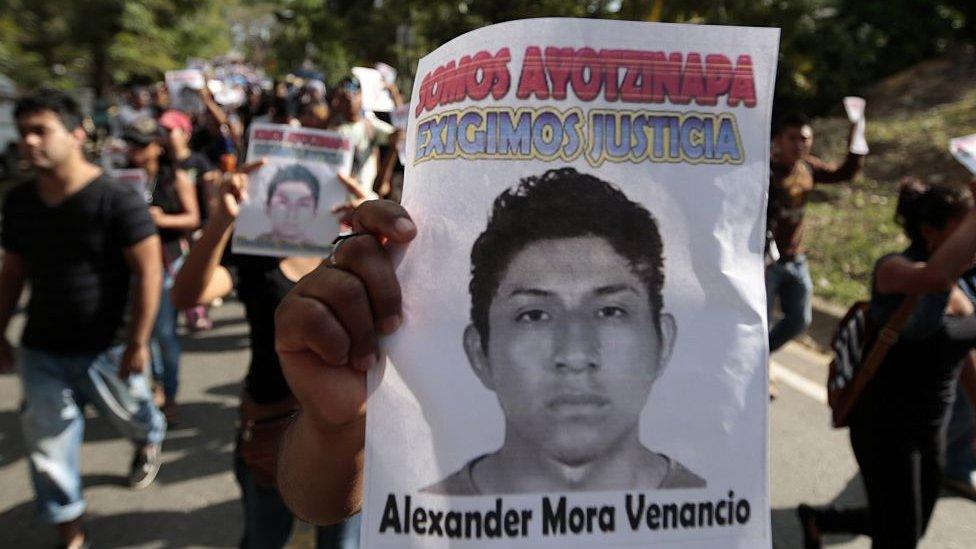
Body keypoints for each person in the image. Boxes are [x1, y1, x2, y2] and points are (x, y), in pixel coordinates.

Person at [423, 168, 704, 494]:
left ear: (663, 342)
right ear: (479, 352)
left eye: (611, 311)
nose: (574, 355)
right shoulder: (416, 525)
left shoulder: (726, 519)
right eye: (534, 315)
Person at [0, 89, 166, 549]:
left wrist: (137, 342)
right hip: (43, 350)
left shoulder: (117, 200)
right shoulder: (19, 203)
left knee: (136, 417)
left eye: (41, 131)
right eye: (23, 132)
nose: (29, 142)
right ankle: (70, 531)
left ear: (77, 134)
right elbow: (13, 269)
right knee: (48, 447)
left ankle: (148, 439)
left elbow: (149, 270)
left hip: (109, 348)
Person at [171, 164, 360, 548]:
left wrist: (376, 233)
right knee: (265, 536)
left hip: (346, 436)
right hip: (271, 424)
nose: (292, 212)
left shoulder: (352, 255)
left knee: (341, 541)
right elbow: (187, 296)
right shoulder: (257, 256)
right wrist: (221, 221)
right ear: (268, 202)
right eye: (282, 201)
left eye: (305, 202)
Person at [797, 178, 976, 548]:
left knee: (910, 524)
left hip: (932, 426)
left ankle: (822, 519)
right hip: (885, 426)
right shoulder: (894, 270)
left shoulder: (966, 285)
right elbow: (935, 278)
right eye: (966, 232)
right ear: (930, 232)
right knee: (900, 536)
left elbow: (963, 355)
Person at [766, 113, 865, 353]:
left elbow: (844, 173)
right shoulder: (763, 170)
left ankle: (760, 358)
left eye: (805, 139)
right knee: (759, 322)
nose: (800, 144)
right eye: (793, 138)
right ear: (777, 140)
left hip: (796, 259)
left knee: (799, 321)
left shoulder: (807, 167)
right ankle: (758, 373)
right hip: (765, 262)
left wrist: (857, 136)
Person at [123, 117, 200, 422]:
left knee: (165, 334)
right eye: (131, 145)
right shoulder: (123, 179)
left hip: (167, 263)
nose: (134, 152)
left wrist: (161, 219)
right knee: (144, 331)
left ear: (157, 147)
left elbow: (192, 218)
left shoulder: (175, 177)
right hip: (133, 265)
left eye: (140, 145)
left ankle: (170, 392)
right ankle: (155, 386)